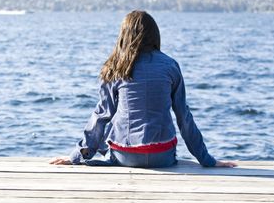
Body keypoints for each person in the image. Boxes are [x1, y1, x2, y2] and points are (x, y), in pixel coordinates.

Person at [50, 10, 236, 168]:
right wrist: (207, 160)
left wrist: (75, 156)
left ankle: (90, 154)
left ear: (124, 36)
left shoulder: (116, 67)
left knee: (108, 126)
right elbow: (183, 117)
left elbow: (101, 116)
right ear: (155, 35)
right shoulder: (170, 65)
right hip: (162, 157)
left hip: (126, 157)